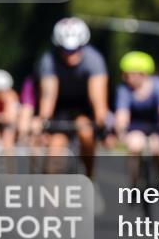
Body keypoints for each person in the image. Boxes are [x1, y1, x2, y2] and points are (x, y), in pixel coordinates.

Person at [33, 17, 109, 177]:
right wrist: (43, 121)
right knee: (54, 150)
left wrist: (102, 123)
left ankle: (89, 176)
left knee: (86, 133)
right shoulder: (49, 60)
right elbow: (48, 95)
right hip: (60, 108)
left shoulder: (94, 60)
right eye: (65, 50)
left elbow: (97, 97)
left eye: (75, 50)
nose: (70, 55)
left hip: (83, 107)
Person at [114, 51, 159, 184]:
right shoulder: (124, 89)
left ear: (141, 74)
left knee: (158, 149)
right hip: (135, 126)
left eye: (128, 74)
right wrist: (121, 131)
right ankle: (133, 182)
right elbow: (122, 114)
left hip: (156, 126)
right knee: (135, 146)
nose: (125, 78)